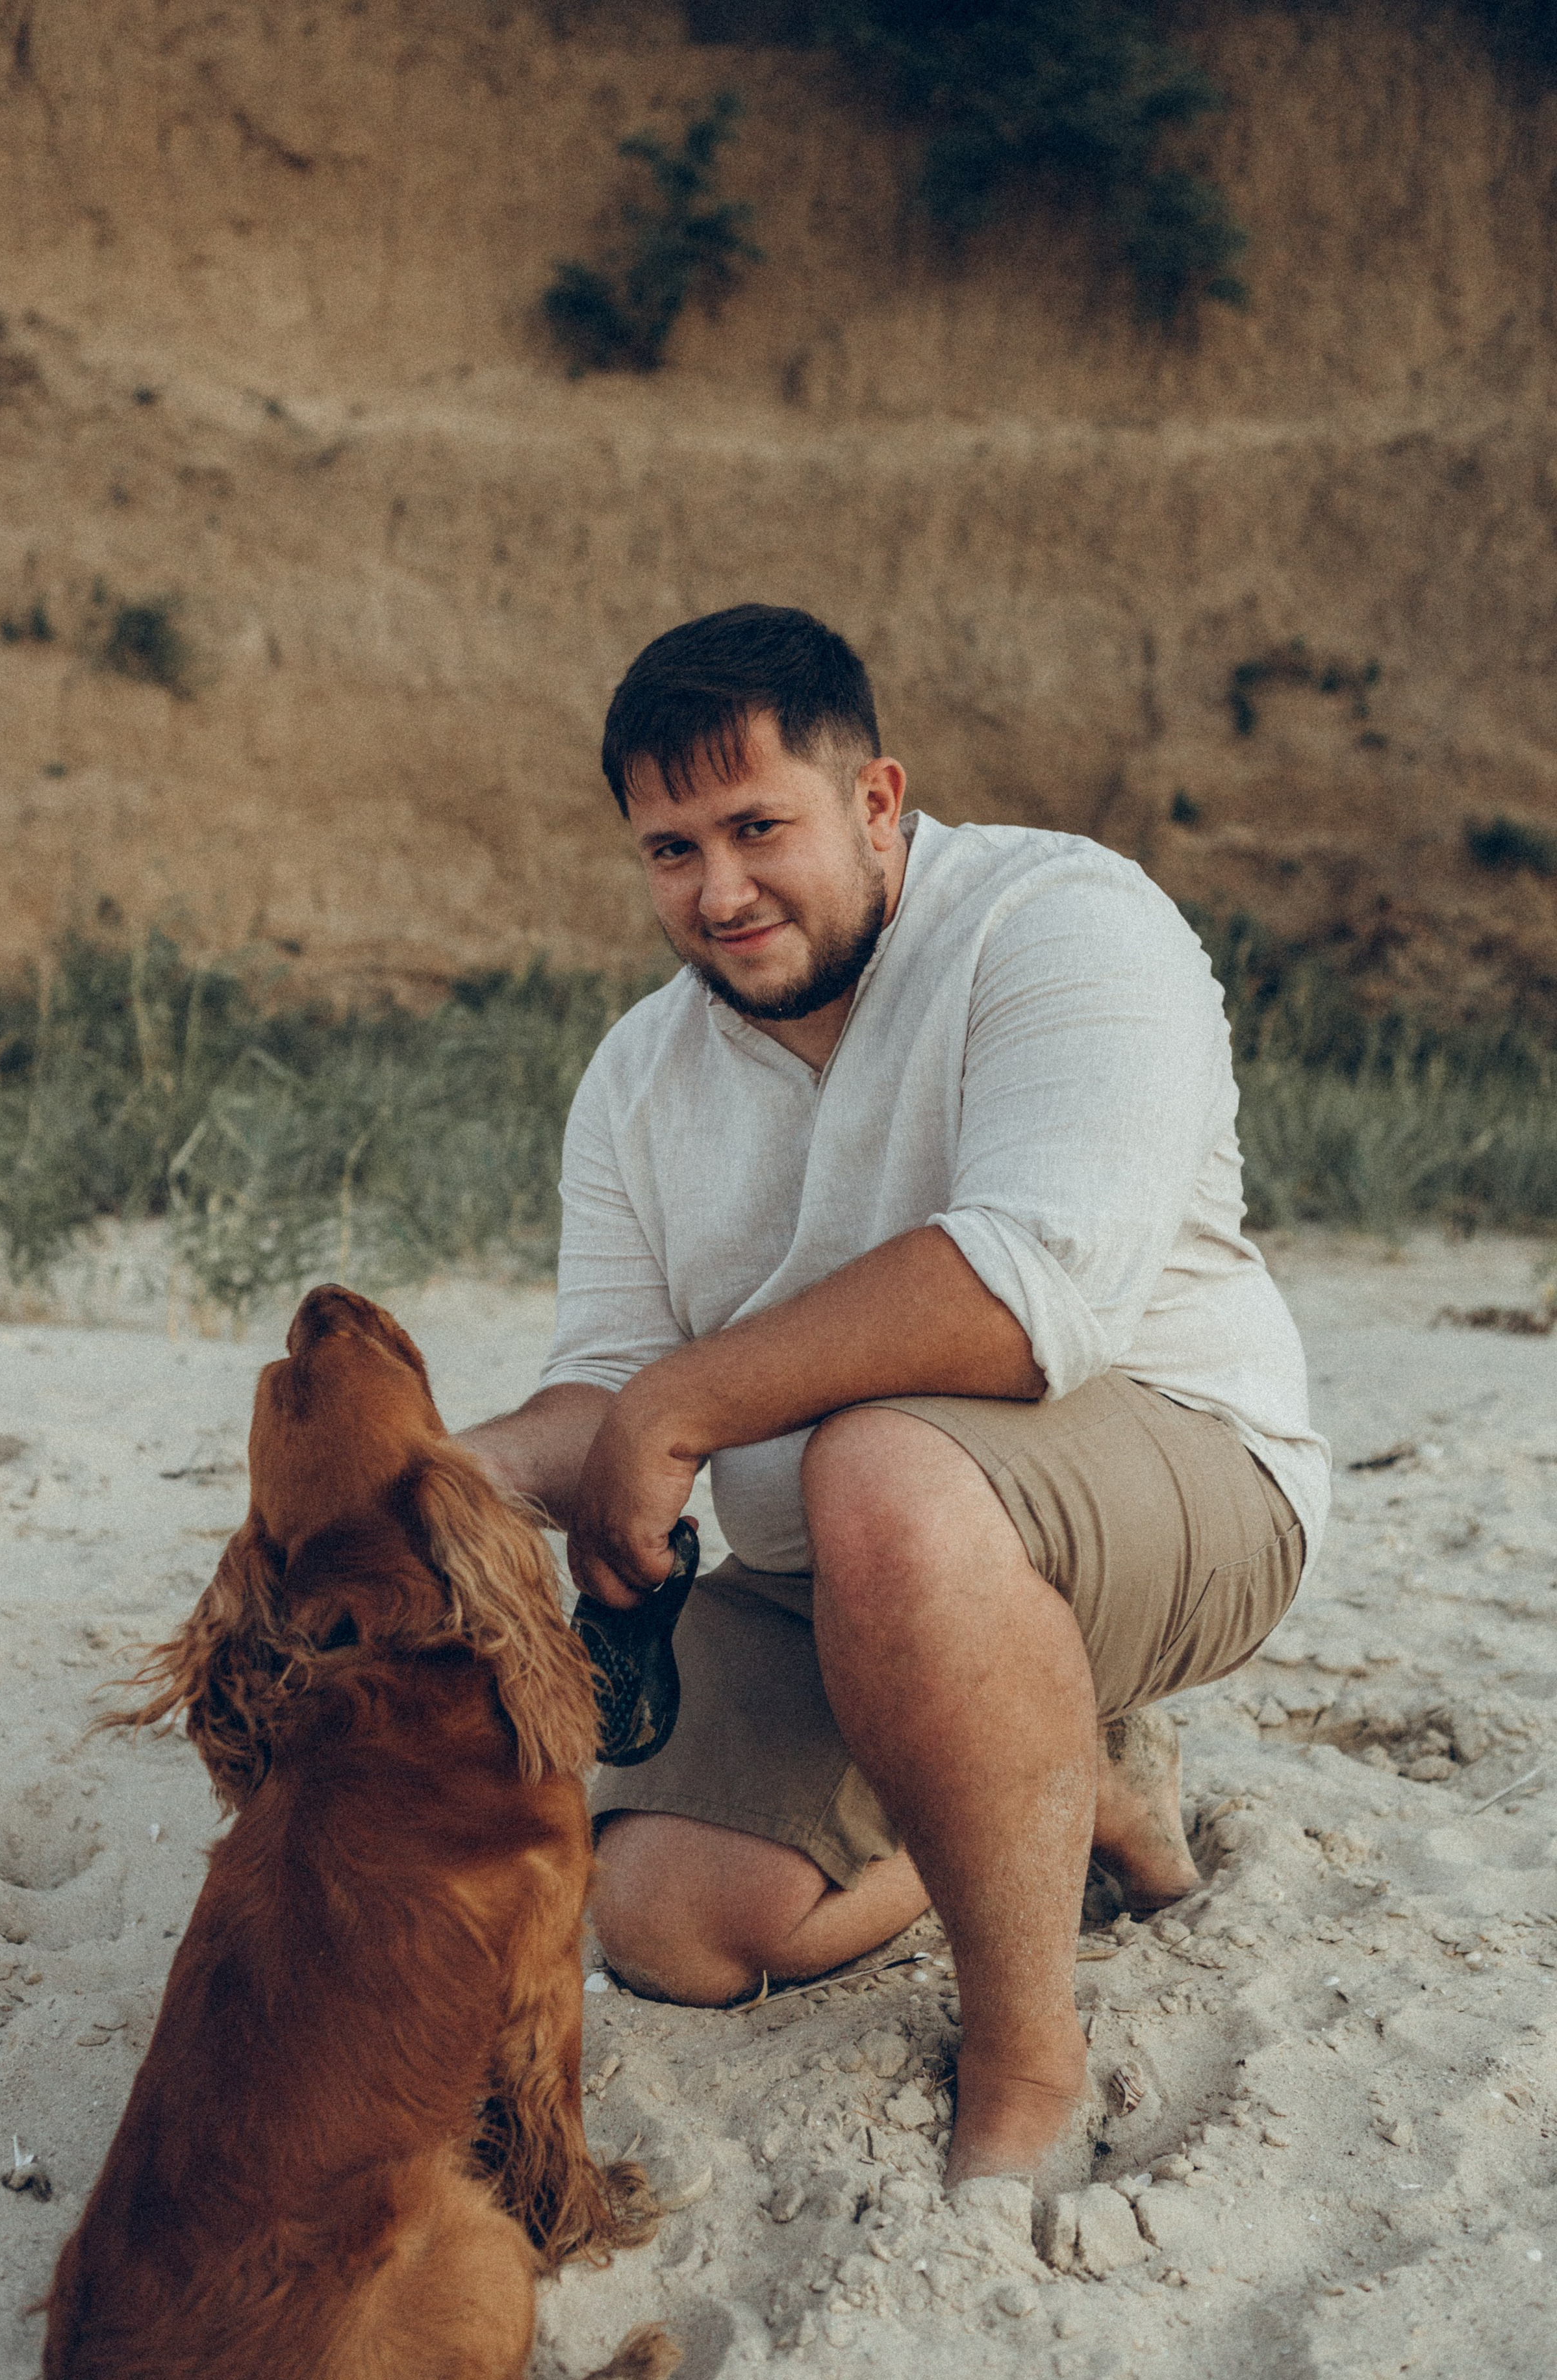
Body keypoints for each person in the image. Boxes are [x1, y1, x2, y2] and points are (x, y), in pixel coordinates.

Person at [460, 604, 1328, 2184]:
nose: (718, 893)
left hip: (1185, 1478)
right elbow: (606, 1393)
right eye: (669, 851)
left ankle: (1024, 2056)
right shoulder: (638, 1076)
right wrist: (446, 1475)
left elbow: (1030, 1291)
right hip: (847, 1569)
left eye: (756, 828)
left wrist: (678, 1407)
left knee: (878, 1467)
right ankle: (1065, 1777)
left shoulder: (1064, 921)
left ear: (873, 802)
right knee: (669, 1922)